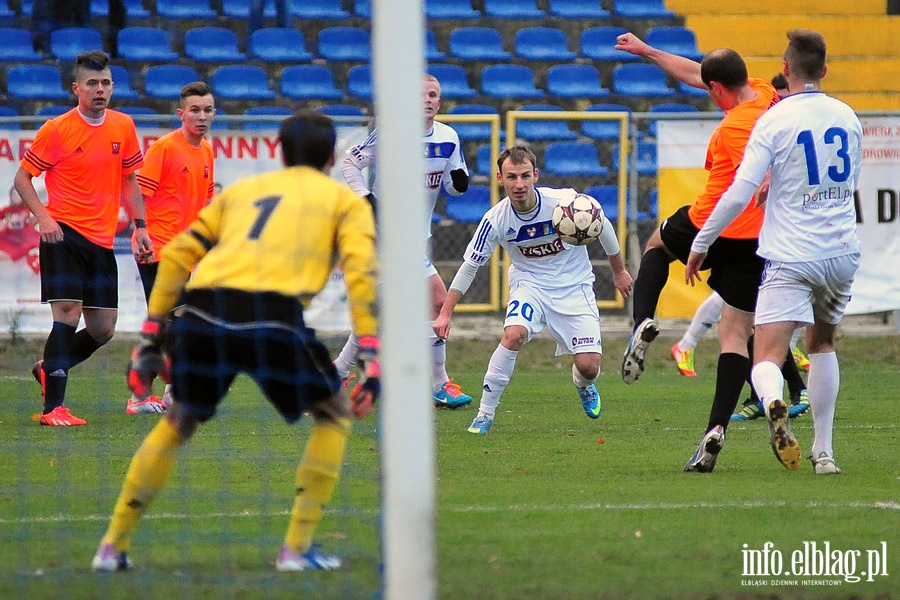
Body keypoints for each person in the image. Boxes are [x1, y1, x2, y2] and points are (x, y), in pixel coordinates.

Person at [91, 111, 381, 572]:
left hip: (205, 312)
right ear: (331, 157)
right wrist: (370, 352)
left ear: (281, 153)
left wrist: (151, 333)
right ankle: (296, 549)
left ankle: (112, 546)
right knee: (333, 413)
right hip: (272, 318)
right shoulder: (344, 202)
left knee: (180, 420)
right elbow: (363, 275)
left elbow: (181, 252)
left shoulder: (246, 191)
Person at [686, 29, 862, 475]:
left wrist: (702, 241)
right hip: (841, 251)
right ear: (824, 70)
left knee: (765, 354)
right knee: (822, 343)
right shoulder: (848, 116)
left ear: (785, 70)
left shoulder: (774, 118)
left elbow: (737, 190)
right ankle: (825, 453)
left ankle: (773, 401)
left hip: (791, 252)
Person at [613, 33, 779, 472]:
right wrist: (648, 51)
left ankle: (643, 321)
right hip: (757, 239)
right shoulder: (766, 94)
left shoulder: (729, 132)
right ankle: (716, 430)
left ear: (719, 90)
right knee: (734, 333)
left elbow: (738, 179)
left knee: (657, 245)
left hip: (712, 224)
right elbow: (696, 73)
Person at [433, 146, 633, 434]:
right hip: (530, 285)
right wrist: (446, 314)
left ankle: (582, 383)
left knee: (589, 367)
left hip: (574, 286)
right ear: (500, 178)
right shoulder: (495, 220)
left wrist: (619, 270)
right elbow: (469, 266)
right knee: (514, 334)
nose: (519, 184)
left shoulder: (563, 202)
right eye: (511, 177)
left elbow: (601, 222)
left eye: (525, 176)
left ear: (536, 175)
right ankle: (484, 414)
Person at [14, 50, 150, 427]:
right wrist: (43, 218)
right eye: (92, 83)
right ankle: (53, 409)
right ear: (77, 89)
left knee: (104, 329)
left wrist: (140, 225)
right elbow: (22, 179)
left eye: (106, 82)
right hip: (64, 233)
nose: (100, 89)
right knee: (68, 314)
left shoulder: (123, 126)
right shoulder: (57, 129)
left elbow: (129, 179)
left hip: (102, 241)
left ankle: (49, 368)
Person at [334, 74, 473, 409]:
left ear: (439, 102)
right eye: (421, 94)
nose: (427, 99)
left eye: (433, 94)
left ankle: (438, 384)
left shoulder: (448, 137)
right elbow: (350, 162)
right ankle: (340, 372)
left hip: (414, 240)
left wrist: (458, 183)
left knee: (432, 304)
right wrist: (366, 197)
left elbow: (456, 182)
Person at [125, 81, 217, 416]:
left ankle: (149, 394)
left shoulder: (206, 150)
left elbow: (204, 202)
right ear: (181, 113)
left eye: (207, 110)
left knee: (166, 325)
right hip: (159, 248)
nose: (201, 116)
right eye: (194, 110)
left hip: (186, 252)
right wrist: (141, 232)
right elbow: (138, 195)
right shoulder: (164, 148)